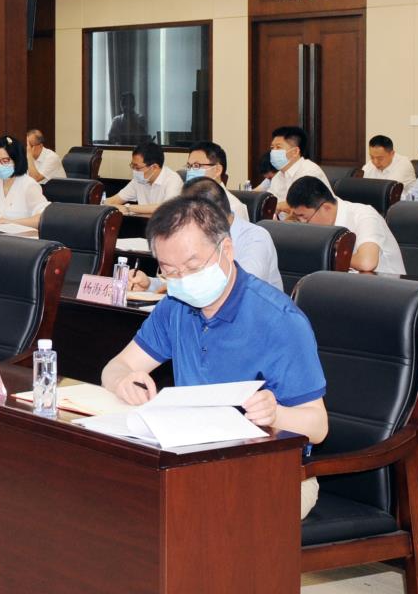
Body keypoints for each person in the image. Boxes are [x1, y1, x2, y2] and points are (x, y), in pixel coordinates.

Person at [99, 195, 328, 518]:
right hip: (193, 460)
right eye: (170, 271)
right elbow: (115, 367)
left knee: (197, 520)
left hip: (275, 472)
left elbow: (318, 426)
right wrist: (123, 380)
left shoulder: (279, 320)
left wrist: (274, 414)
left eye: (193, 267)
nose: (183, 280)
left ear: (227, 250)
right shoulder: (175, 306)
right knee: (115, 498)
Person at [128, 176, 281, 292]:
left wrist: (176, 288)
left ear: (211, 214)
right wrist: (150, 284)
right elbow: (184, 277)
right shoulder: (196, 236)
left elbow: (239, 287)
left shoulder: (256, 238)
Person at [286, 176, 405, 275]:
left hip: (386, 288)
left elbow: (367, 263)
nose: (302, 223)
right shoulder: (320, 225)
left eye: (304, 217)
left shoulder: (364, 215)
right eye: (298, 218)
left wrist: (328, 257)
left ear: (326, 208)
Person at [0, 135, 49, 229]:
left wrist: (10, 223)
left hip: (24, 237)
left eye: (5, 161)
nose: (0, 165)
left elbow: (43, 218)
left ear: (17, 161)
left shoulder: (28, 185)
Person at [255, 126, 328, 212]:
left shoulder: (309, 171)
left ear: (295, 152)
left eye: (278, 147)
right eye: (272, 148)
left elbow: (302, 207)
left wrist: (276, 207)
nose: (273, 152)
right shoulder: (278, 176)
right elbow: (270, 202)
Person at [106, 138, 181, 209]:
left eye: (138, 168)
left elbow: (165, 208)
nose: (134, 171)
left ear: (154, 167)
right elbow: (113, 200)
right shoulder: (139, 180)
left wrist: (128, 208)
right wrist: (105, 203)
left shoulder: (173, 180)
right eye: (132, 166)